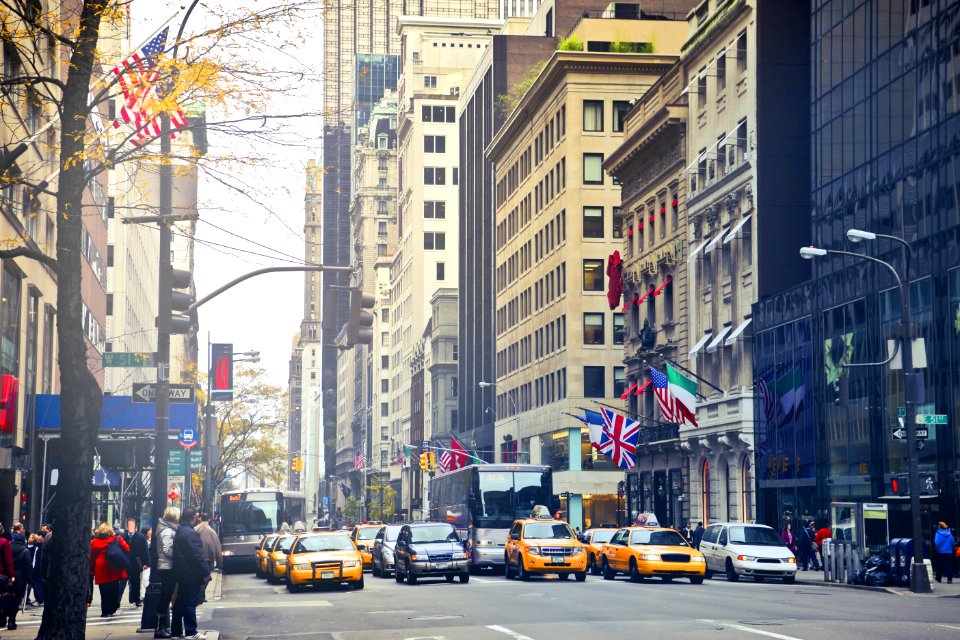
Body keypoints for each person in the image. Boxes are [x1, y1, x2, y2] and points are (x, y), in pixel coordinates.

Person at [171, 508, 211, 640]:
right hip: (191, 573)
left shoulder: (180, 531)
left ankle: (176, 631)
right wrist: (205, 571)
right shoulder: (190, 533)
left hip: (182, 572)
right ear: (193, 518)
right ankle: (190, 631)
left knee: (180, 602)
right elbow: (196, 555)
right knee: (189, 602)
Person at [89, 523, 129, 618]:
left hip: (101, 568)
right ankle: (112, 607)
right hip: (114, 566)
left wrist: (91, 569)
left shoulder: (94, 542)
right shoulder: (117, 539)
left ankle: (105, 611)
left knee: (103, 591)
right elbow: (127, 548)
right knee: (114, 588)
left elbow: (92, 557)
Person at [154, 507, 180, 639]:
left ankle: (161, 627)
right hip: (167, 567)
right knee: (165, 598)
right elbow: (167, 550)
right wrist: (178, 558)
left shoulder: (166, 529)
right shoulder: (167, 531)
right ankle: (160, 628)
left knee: (166, 597)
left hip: (165, 566)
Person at [195, 513, 222, 605]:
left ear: (200, 519)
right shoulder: (212, 531)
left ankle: (201, 596)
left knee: (198, 577)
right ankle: (200, 595)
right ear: (209, 520)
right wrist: (220, 563)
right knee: (206, 578)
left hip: (195, 558)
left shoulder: (195, 529)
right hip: (207, 559)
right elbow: (218, 548)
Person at [122, 519, 149, 607]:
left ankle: (136, 600)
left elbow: (145, 551)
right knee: (122, 583)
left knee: (135, 582)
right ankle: (116, 602)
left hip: (135, 563)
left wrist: (146, 563)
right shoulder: (122, 536)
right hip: (124, 562)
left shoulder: (140, 537)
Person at [140, 526, 152, 603]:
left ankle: (143, 596)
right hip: (142, 564)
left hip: (148, 564)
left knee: (145, 580)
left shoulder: (151, 541)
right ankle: (142, 596)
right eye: (149, 530)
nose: (151, 532)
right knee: (143, 580)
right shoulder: (142, 540)